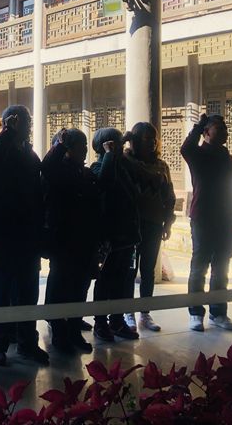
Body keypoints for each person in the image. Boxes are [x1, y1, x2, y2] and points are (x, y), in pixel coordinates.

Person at [0, 106, 49, 367]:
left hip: (29, 232)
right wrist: (7, 133)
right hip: (5, 231)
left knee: (28, 289)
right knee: (1, 288)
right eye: (26, 121)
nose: (30, 125)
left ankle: (27, 342)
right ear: (11, 122)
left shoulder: (29, 152)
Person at [181, 113, 232, 332]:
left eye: (225, 127)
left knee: (221, 268)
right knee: (199, 267)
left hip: (226, 220)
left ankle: (218, 313)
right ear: (207, 132)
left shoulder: (228, 159)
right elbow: (185, 148)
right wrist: (198, 125)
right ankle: (195, 313)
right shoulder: (198, 155)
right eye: (219, 127)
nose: (225, 131)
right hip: (203, 218)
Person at [41, 128, 101, 354]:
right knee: (60, 285)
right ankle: (59, 331)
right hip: (63, 239)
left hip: (85, 239)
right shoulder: (58, 171)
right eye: (79, 145)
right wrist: (60, 145)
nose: (84, 149)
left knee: (80, 286)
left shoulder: (85, 173)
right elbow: (47, 167)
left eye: (85, 144)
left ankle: (74, 329)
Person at [122, 122, 176, 333]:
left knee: (148, 270)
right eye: (147, 139)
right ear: (136, 141)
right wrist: (124, 140)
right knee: (129, 270)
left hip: (153, 224)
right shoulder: (127, 162)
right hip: (132, 224)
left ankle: (145, 313)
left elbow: (169, 196)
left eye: (154, 139)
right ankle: (128, 312)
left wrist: (168, 221)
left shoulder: (162, 166)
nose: (152, 143)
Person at [90, 127, 141, 343]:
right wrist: (109, 155)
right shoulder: (98, 167)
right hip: (110, 236)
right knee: (106, 280)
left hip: (127, 233)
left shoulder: (122, 166)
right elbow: (105, 182)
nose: (121, 147)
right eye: (116, 144)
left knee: (121, 280)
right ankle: (101, 322)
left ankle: (117, 321)